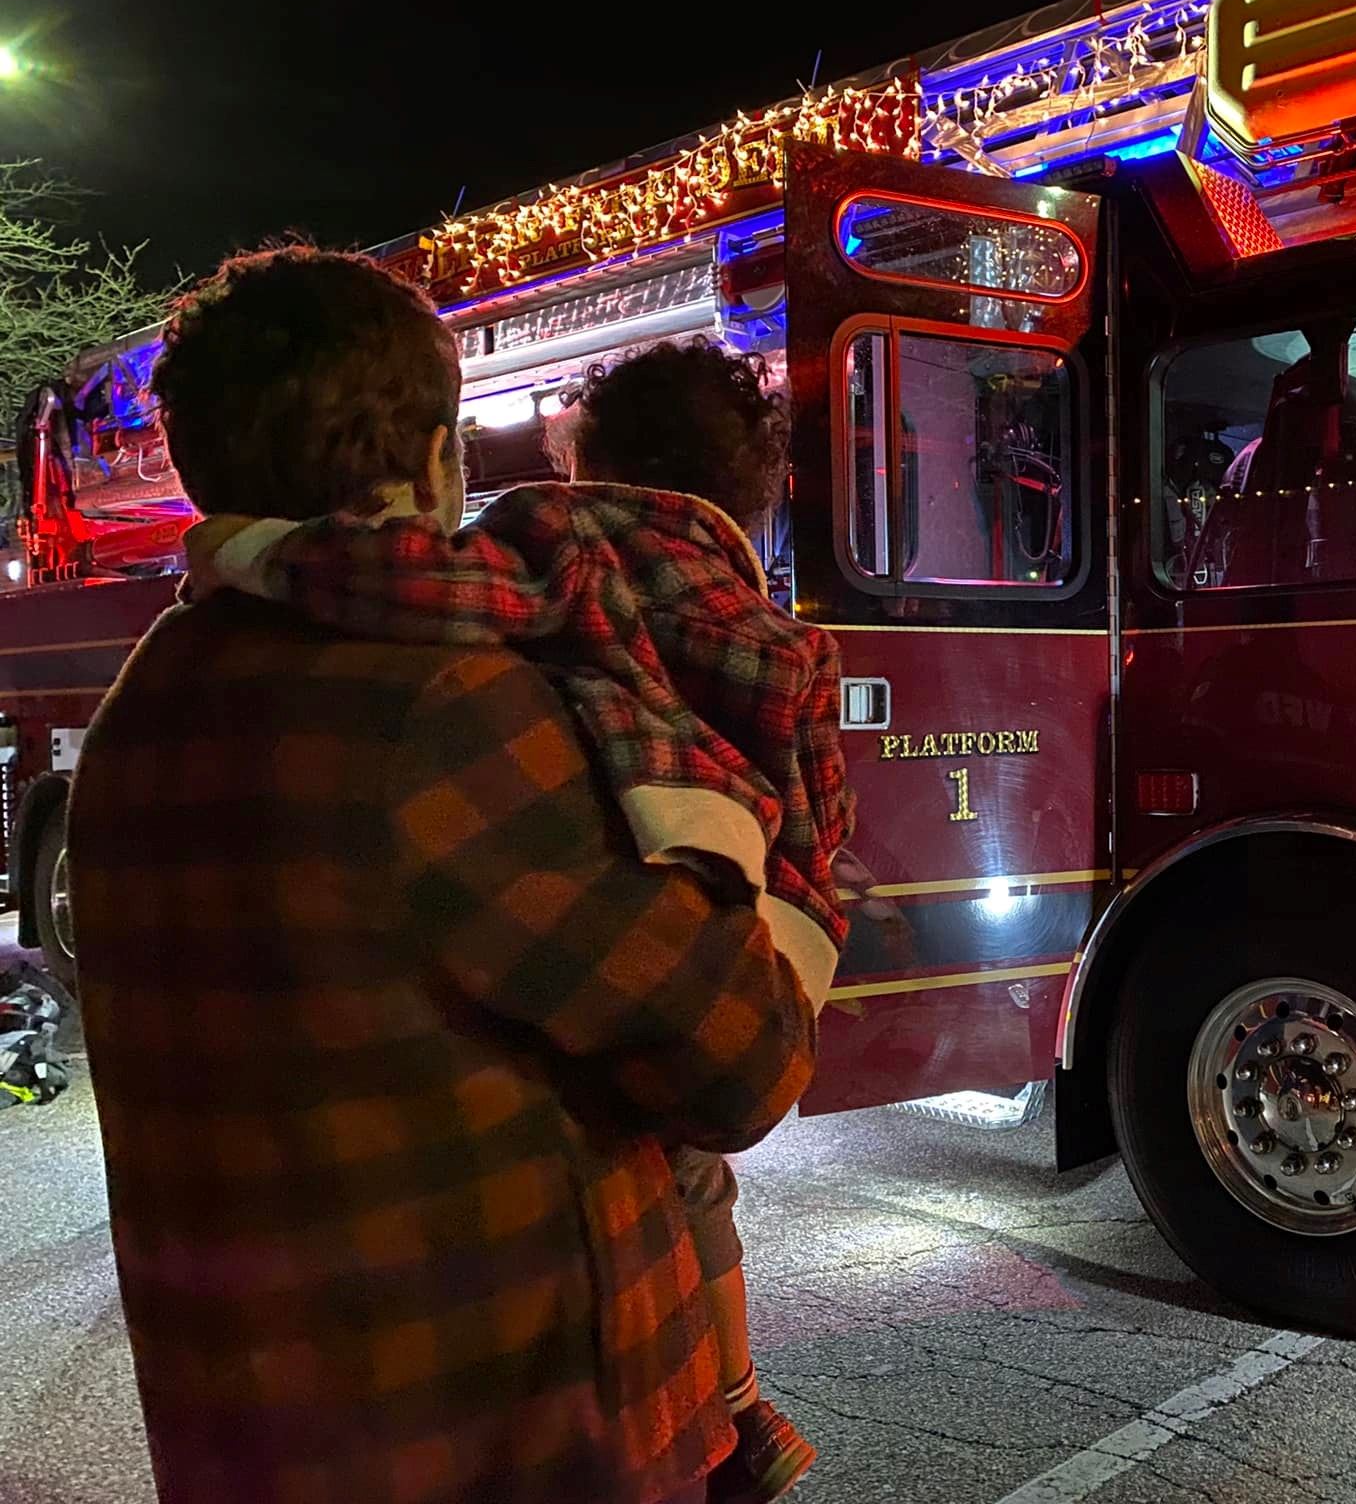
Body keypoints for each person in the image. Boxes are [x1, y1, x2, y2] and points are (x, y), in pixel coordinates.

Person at [69, 247, 818, 1504]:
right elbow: (740, 1059)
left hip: (247, 1427)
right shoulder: (445, 707)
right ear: (426, 460)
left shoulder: (150, 693)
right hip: (508, 1434)